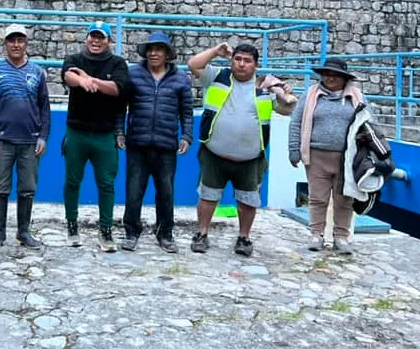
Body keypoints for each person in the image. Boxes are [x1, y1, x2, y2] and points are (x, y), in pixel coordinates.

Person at [187, 41, 291, 257]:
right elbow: (193, 65)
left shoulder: (264, 86)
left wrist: (281, 90)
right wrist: (215, 51)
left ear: (256, 65)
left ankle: (244, 238)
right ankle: (202, 233)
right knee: (207, 196)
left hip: (250, 158)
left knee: (248, 201)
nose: (242, 64)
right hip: (214, 154)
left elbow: (288, 107)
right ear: (232, 60)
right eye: (238, 59)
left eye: (247, 61)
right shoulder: (217, 76)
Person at [116, 31, 193, 254]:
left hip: (166, 146)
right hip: (137, 144)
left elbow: (186, 113)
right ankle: (131, 232)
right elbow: (121, 107)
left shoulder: (180, 79)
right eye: (150, 49)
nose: (153, 53)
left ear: (167, 54)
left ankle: (165, 234)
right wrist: (120, 132)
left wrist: (186, 136)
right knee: (133, 192)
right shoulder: (133, 74)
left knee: (166, 193)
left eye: (158, 49)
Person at [61, 21, 130, 252]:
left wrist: (92, 81)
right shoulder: (75, 59)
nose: (96, 41)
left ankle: (106, 230)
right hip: (76, 131)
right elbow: (68, 76)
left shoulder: (118, 63)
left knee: (106, 184)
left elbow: (118, 88)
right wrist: (80, 80)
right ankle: (72, 225)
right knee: (72, 181)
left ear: (109, 40)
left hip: (105, 134)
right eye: (93, 36)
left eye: (101, 37)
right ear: (87, 38)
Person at [0, 24, 51, 250]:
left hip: (30, 142)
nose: (16, 45)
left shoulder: (38, 72)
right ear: (5, 44)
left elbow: (44, 108)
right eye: (11, 41)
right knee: (0, 187)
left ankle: (23, 232)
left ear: (26, 44)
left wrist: (43, 136)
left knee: (27, 188)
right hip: (2, 141)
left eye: (20, 40)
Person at [288, 58, 365, 254]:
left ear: (344, 78)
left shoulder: (356, 97)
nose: (330, 77)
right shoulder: (311, 95)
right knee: (318, 197)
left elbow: (368, 123)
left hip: (346, 158)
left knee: (344, 199)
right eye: (327, 73)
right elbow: (296, 122)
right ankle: (316, 234)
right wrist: (294, 150)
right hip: (316, 155)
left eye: (336, 75)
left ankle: (341, 236)